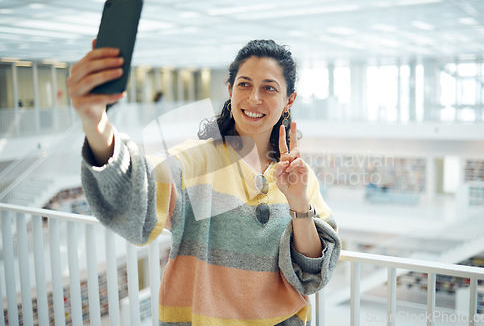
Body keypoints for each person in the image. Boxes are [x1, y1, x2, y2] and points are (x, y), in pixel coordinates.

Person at [67, 39, 341, 326]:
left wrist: (298, 201)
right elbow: (139, 187)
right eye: (244, 84)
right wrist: (96, 125)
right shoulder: (196, 161)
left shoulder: (298, 175)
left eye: (269, 88)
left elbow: (313, 271)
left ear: (289, 100)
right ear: (230, 90)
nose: (254, 98)